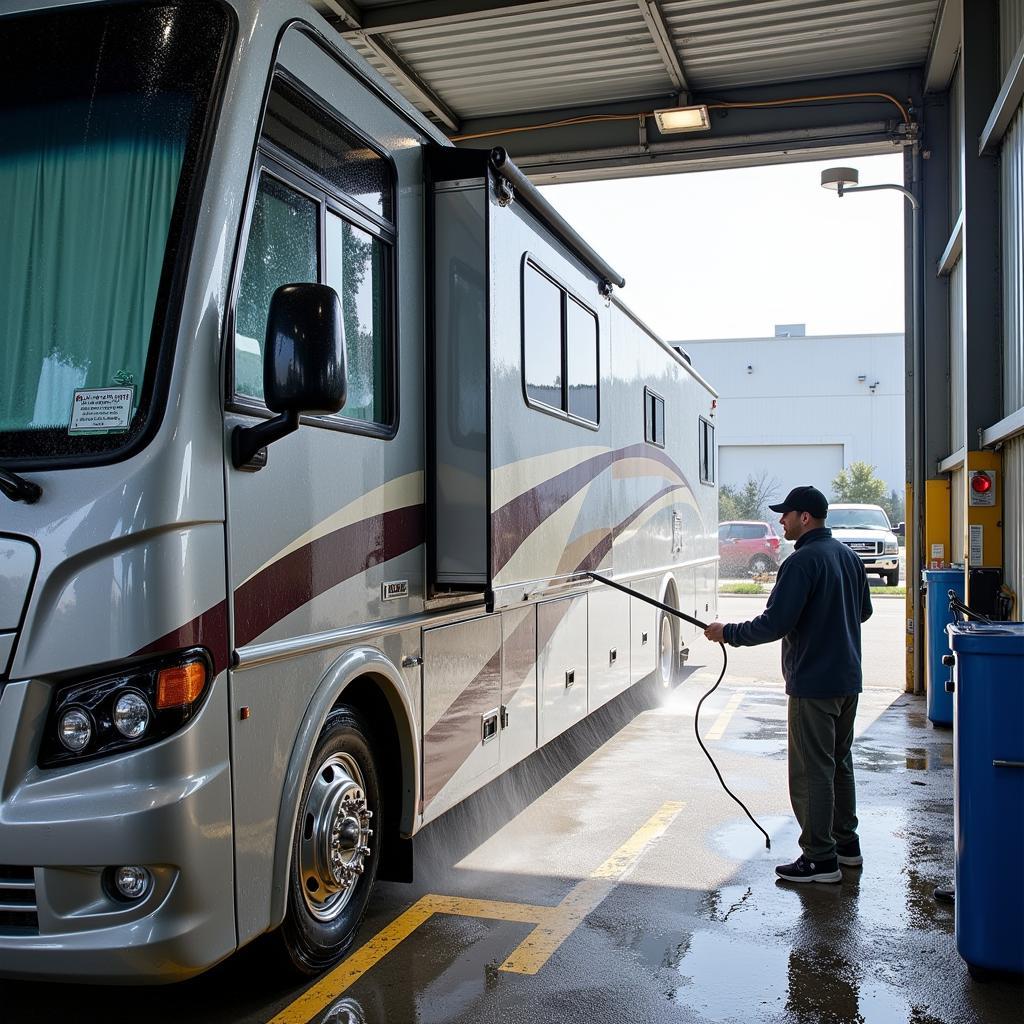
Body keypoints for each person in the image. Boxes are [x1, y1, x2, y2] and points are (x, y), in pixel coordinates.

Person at [704, 485, 873, 883]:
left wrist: (727, 632)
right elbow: (862, 612)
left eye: (787, 514)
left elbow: (775, 623)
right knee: (838, 764)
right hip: (848, 681)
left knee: (812, 770)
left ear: (805, 518)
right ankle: (846, 846)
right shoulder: (848, 557)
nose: (781, 521)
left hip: (813, 684)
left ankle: (819, 859)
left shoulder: (801, 563)